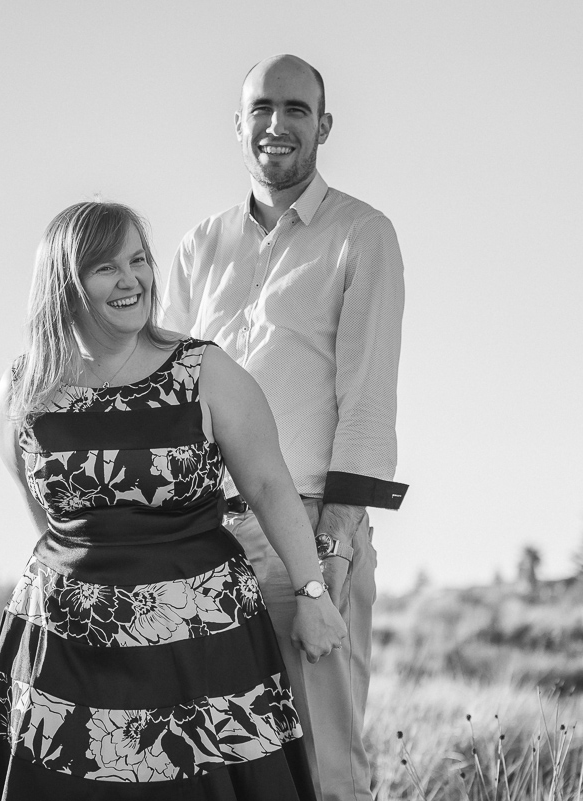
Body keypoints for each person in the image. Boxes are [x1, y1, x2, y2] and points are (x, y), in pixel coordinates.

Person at [0, 200, 346, 800]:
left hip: (205, 642)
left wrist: (312, 592)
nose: (132, 280)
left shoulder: (205, 372)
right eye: (105, 267)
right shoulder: (24, 388)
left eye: (138, 260)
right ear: (65, 284)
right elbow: (47, 521)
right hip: (68, 651)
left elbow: (270, 486)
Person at [161, 55, 407, 801]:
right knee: (209, 766)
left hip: (304, 530)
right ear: (239, 125)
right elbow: (168, 398)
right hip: (201, 538)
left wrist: (326, 557)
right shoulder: (199, 246)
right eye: (262, 108)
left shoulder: (363, 234)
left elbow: (367, 401)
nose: (278, 124)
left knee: (321, 769)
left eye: (297, 109)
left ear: (323, 126)